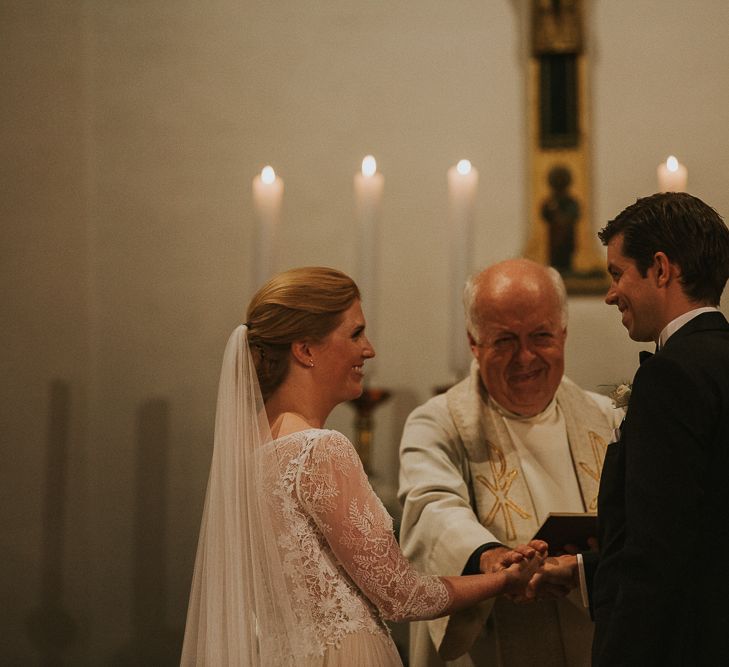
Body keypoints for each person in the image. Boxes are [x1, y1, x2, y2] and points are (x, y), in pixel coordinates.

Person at [180, 266, 545, 666]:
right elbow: (401, 595)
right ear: (305, 350)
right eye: (355, 333)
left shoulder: (253, 456)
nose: (368, 350)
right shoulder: (319, 450)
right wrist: (503, 579)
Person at [398, 258, 621, 666]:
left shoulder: (607, 418)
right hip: (492, 648)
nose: (525, 357)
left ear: (564, 334)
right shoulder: (438, 423)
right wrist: (490, 557)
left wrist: (581, 567)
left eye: (541, 336)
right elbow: (431, 507)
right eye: (504, 340)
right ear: (473, 343)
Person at [582, 192, 729, 665]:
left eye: (617, 273)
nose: (610, 294)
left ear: (661, 269)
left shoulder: (670, 376)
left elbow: (656, 552)